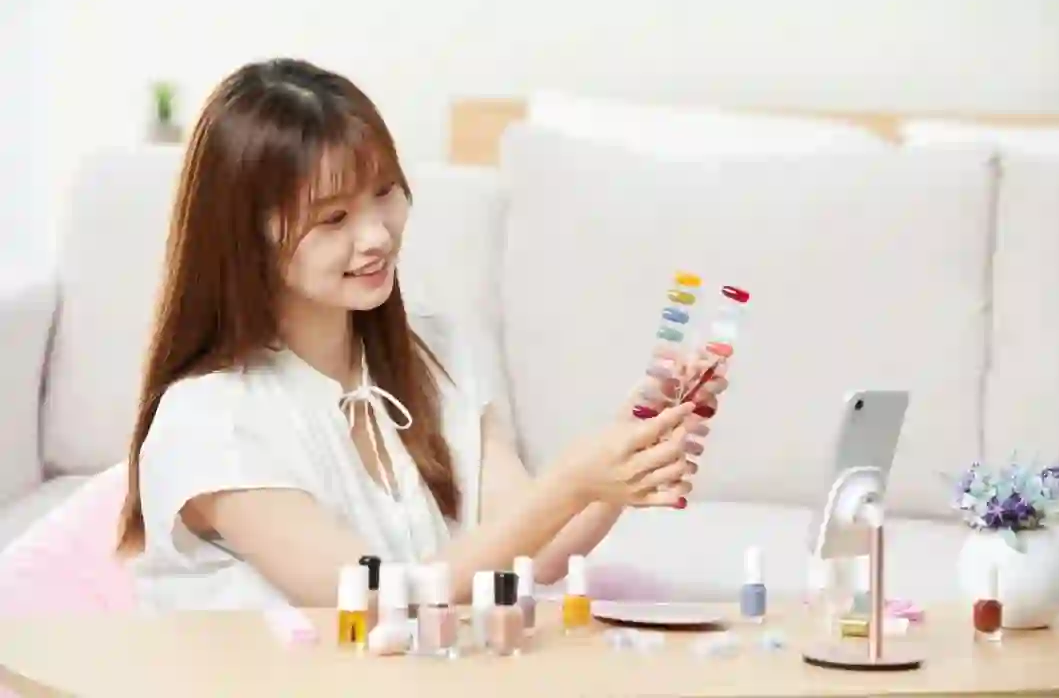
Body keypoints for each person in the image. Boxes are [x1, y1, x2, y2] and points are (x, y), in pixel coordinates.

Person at [116, 58, 728, 610]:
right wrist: (571, 480)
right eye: (334, 218)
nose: (377, 236)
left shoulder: (436, 353)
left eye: (384, 193)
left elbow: (534, 553)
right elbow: (377, 599)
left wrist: (629, 450)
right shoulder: (211, 419)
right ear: (246, 239)